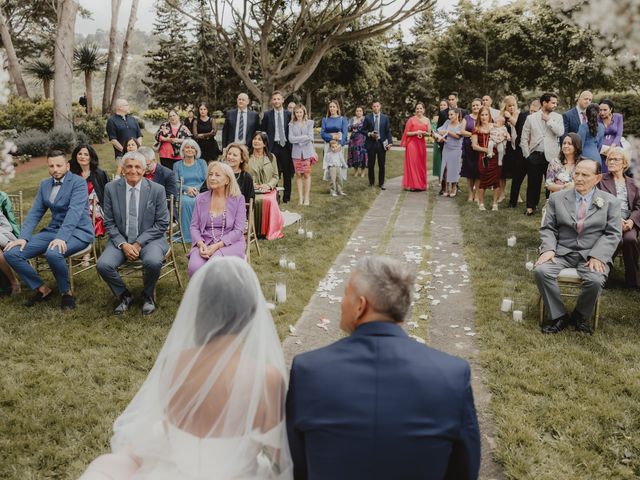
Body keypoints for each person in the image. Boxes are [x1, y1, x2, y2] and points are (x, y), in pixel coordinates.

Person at [80, 257, 293, 479]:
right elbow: (280, 456)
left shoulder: (173, 365)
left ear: (197, 308)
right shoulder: (267, 378)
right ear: (251, 312)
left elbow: (168, 432)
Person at [286, 255, 481, 480]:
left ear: (360, 306)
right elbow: (465, 470)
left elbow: (295, 465)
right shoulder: (453, 375)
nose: (341, 302)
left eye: (345, 293)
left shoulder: (309, 371)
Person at [534, 159, 621, 334]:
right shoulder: (557, 198)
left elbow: (613, 233)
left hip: (591, 255)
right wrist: (549, 249)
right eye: (577, 174)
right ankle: (559, 316)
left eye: (585, 175)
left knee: (595, 280)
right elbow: (548, 227)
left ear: (597, 178)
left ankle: (580, 315)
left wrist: (598, 255)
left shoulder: (610, 202)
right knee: (541, 271)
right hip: (561, 252)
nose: (579, 178)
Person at [4, 150, 94, 310]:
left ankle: (66, 293)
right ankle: (42, 289)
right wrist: (23, 237)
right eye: (51, 166)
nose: (55, 169)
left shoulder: (78, 183)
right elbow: (35, 212)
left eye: (59, 165)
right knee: (12, 253)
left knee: (53, 252)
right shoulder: (45, 184)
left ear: (67, 166)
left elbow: (74, 213)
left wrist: (61, 238)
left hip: (78, 232)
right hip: (52, 231)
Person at [96, 152, 169, 316]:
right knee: (103, 265)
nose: (133, 170)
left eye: (137, 167)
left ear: (144, 170)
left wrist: (137, 243)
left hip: (150, 240)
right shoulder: (111, 188)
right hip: (121, 239)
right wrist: (123, 244)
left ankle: (147, 295)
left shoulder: (157, 190)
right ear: (123, 169)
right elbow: (109, 222)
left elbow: (162, 223)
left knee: (153, 261)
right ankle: (124, 295)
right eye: (129, 166)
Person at [187, 162, 247, 277]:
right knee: (194, 267)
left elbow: (239, 230)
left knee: (215, 265)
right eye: (210, 174)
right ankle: (200, 294)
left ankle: (219, 294)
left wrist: (217, 245)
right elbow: (194, 227)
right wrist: (200, 244)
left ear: (227, 180)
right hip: (205, 241)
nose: (212, 178)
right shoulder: (201, 198)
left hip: (230, 243)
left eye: (217, 175)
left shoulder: (238, 199)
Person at [598, 147, 640, 289]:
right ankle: (602, 276)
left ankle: (633, 280)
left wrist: (632, 221)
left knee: (630, 239)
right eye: (609, 159)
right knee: (616, 239)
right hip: (607, 220)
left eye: (615, 159)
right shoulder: (601, 180)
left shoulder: (634, 183)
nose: (611, 161)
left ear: (624, 163)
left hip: (628, 221)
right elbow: (596, 202)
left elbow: (639, 206)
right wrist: (615, 219)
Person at [521, 92, 564, 216]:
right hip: (535, 155)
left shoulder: (557, 117)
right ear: (544, 103)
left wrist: (549, 120)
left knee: (552, 183)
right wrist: (527, 155)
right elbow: (524, 138)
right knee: (533, 183)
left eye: (556, 103)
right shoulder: (531, 118)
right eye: (553, 102)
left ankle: (551, 207)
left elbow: (560, 132)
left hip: (552, 156)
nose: (555, 105)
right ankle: (530, 207)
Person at [248, 131, 284, 240]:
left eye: (259, 139)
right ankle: (253, 230)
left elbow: (276, 176)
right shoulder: (246, 157)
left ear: (264, 144)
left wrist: (268, 185)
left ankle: (267, 230)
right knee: (253, 199)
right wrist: (251, 184)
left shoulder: (271, 157)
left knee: (270, 201)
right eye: (254, 139)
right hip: (251, 188)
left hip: (268, 189)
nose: (256, 141)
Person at [69, 144, 109, 237]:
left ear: (91, 157)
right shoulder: (71, 174)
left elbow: (106, 195)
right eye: (80, 154)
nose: (82, 157)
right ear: (76, 156)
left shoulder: (100, 174)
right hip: (76, 206)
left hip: (95, 207)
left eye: (86, 154)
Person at [261, 91, 293, 203]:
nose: (276, 101)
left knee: (287, 173)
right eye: (274, 99)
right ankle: (275, 196)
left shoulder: (289, 115)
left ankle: (287, 197)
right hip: (272, 147)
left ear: (283, 100)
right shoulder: (267, 115)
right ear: (271, 101)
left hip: (285, 147)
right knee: (274, 172)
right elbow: (263, 132)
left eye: (278, 99)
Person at [173, 139, 208, 244]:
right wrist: (186, 189)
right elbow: (175, 183)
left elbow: (207, 180)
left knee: (198, 200)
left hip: (201, 191)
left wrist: (196, 189)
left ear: (196, 151)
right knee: (185, 202)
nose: (189, 149)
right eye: (187, 147)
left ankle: (200, 232)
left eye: (192, 148)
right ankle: (187, 235)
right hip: (183, 192)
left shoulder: (202, 163)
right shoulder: (177, 165)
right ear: (182, 150)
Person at [507, 98, 538, 208]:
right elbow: (519, 132)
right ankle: (512, 202)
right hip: (521, 152)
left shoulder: (542, 119)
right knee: (517, 178)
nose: (532, 113)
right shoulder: (523, 116)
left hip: (535, 152)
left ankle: (533, 203)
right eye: (531, 110)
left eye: (535, 111)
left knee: (533, 180)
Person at [472, 106, 501, 211]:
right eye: (482, 115)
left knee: (496, 180)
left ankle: (495, 204)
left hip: (495, 157)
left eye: (486, 115)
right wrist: (486, 150)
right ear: (479, 116)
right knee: (483, 180)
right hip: (483, 157)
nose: (484, 117)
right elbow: (474, 146)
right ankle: (481, 203)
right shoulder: (476, 129)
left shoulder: (494, 127)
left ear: (490, 116)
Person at [288, 104, 316, 206]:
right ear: (294, 113)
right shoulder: (291, 124)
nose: (299, 114)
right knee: (299, 175)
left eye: (300, 112)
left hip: (307, 152)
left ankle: (306, 198)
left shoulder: (309, 123)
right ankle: (300, 198)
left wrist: (298, 138)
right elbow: (291, 139)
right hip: (296, 154)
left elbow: (310, 137)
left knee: (307, 174)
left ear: (304, 112)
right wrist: (304, 137)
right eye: (297, 112)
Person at [106, 98, 142, 173]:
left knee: (137, 174)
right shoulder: (111, 121)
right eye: (127, 105)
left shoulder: (133, 119)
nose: (129, 106)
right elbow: (113, 140)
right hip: (121, 155)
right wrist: (125, 150)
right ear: (120, 107)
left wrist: (137, 149)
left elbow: (139, 136)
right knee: (125, 175)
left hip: (136, 154)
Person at [363, 101, 393, 190]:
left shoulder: (385, 118)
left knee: (381, 164)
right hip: (371, 144)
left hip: (381, 144)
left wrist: (390, 142)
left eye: (377, 106)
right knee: (371, 164)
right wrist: (369, 134)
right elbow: (363, 130)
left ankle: (381, 183)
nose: (376, 108)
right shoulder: (368, 118)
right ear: (372, 107)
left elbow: (388, 131)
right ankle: (371, 183)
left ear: (380, 107)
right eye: (374, 106)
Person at [400, 102, 430, 191]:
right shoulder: (411, 120)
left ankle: (421, 184)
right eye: (417, 108)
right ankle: (413, 185)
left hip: (421, 144)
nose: (419, 110)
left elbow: (429, 133)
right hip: (412, 144)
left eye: (421, 108)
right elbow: (407, 133)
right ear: (415, 110)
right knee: (413, 164)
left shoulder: (427, 120)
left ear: (424, 110)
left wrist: (424, 133)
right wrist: (416, 132)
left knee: (420, 164)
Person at [139, 146, 179, 212]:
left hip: (161, 211)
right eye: (141, 165)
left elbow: (171, 199)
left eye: (147, 165)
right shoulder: (136, 173)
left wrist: (149, 206)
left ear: (154, 160)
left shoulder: (168, 174)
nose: (144, 168)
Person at [436, 108, 463, 197]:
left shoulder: (460, 125)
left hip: (456, 149)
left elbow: (458, 136)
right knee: (446, 169)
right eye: (449, 115)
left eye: (452, 115)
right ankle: (446, 188)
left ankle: (454, 187)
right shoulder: (447, 122)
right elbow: (439, 130)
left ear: (457, 115)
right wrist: (440, 136)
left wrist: (448, 132)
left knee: (454, 169)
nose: (450, 116)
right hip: (447, 148)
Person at [320, 100, 348, 182]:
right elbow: (322, 133)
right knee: (328, 161)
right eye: (330, 107)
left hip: (339, 144)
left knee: (339, 161)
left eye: (333, 107)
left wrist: (340, 144)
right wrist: (331, 137)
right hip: (328, 144)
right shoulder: (325, 119)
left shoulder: (343, 119)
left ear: (337, 108)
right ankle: (329, 178)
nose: (332, 108)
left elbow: (345, 133)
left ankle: (340, 179)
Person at [460, 98, 482, 202]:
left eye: (477, 105)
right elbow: (462, 131)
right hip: (468, 148)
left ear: (481, 106)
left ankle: (477, 194)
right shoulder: (466, 118)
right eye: (473, 105)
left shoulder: (483, 117)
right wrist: (473, 135)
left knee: (478, 172)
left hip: (479, 148)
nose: (475, 107)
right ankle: (470, 194)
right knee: (469, 172)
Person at [0, 191, 21, 295]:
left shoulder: (2, 196)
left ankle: (14, 283)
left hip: (3, 233)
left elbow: (11, 219)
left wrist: (19, 237)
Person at [598, 99, 624, 163]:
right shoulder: (596, 119)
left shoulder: (618, 117)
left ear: (611, 109)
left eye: (605, 110)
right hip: (601, 150)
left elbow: (619, 135)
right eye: (600, 110)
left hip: (615, 148)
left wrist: (612, 147)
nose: (602, 112)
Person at [347, 106, 368, 178]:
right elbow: (348, 128)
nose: (358, 112)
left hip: (362, 140)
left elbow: (366, 128)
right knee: (354, 155)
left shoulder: (365, 119)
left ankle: (362, 172)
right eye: (357, 111)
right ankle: (355, 171)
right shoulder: (352, 119)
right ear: (355, 112)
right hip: (353, 140)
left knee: (362, 156)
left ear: (362, 112)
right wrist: (353, 127)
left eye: (360, 111)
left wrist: (355, 128)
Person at [432, 99, 449, 190]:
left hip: (445, 141)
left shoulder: (449, 116)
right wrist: (436, 136)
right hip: (437, 141)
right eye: (441, 105)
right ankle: (439, 180)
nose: (442, 106)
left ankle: (445, 181)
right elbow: (434, 129)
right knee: (438, 161)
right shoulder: (436, 117)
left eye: (444, 105)